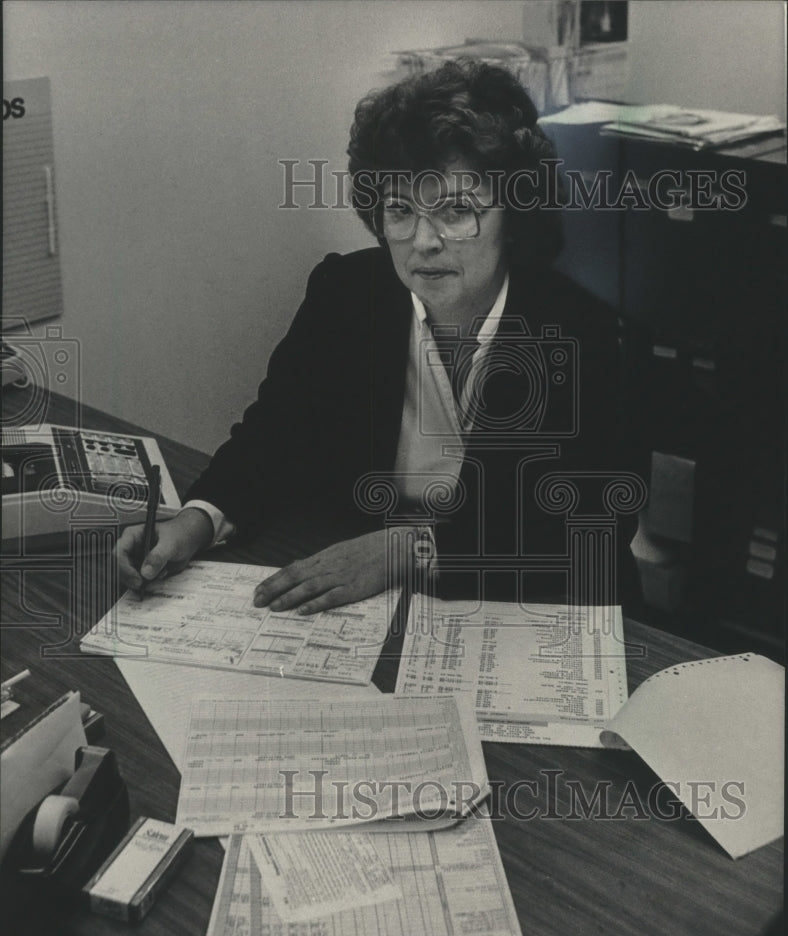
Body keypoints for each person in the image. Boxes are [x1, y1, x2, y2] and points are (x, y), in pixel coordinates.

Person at [116, 59, 644, 614]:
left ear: (513, 215)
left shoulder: (578, 331)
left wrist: (410, 548)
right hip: (377, 597)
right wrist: (195, 521)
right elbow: (275, 434)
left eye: (457, 211)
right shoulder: (346, 294)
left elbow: (596, 518)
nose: (424, 241)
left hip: (538, 605)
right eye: (400, 210)